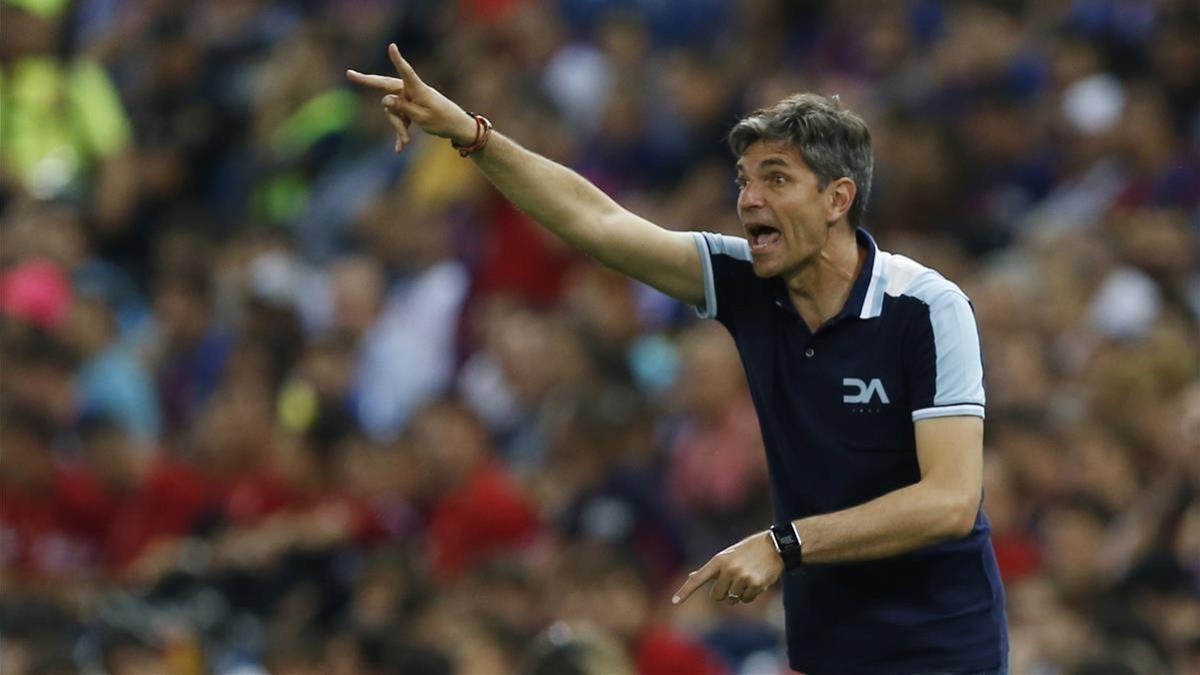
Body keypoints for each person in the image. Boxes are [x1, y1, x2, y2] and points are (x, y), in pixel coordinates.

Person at [348, 43, 1008, 674]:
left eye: (776, 179)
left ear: (837, 199)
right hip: (830, 641)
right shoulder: (747, 278)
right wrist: (473, 136)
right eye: (745, 180)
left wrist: (786, 542)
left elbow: (950, 500)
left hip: (941, 644)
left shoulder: (925, 307)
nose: (749, 200)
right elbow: (596, 222)